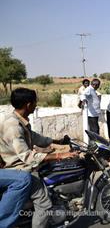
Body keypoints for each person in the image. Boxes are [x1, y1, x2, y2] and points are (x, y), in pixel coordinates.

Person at [0, 88, 78, 227]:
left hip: (20, 165)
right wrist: (60, 155)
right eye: (35, 102)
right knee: (44, 203)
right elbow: (28, 156)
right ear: (28, 104)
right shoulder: (13, 126)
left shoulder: (18, 120)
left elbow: (35, 137)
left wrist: (58, 142)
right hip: (18, 169)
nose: (36, 105)